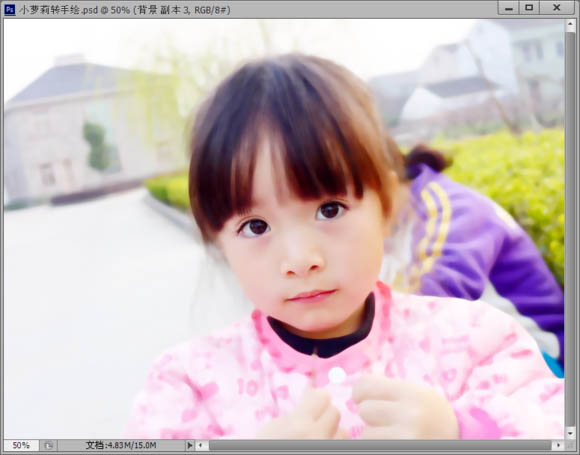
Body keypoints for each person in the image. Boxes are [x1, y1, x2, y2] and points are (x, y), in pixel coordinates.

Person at [124, 54, 564, 440]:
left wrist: (464, 433)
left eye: (330, 210)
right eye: (256, 226)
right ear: (217, 240)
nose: (301, 260)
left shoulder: (473, 341)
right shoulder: (189, 388)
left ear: (387, 207)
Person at [379, 143, 564, 377]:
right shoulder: (392, 221)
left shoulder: (450, 206)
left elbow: (437, 293)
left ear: (385, 180)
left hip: (540, 353)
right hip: (474, 352)